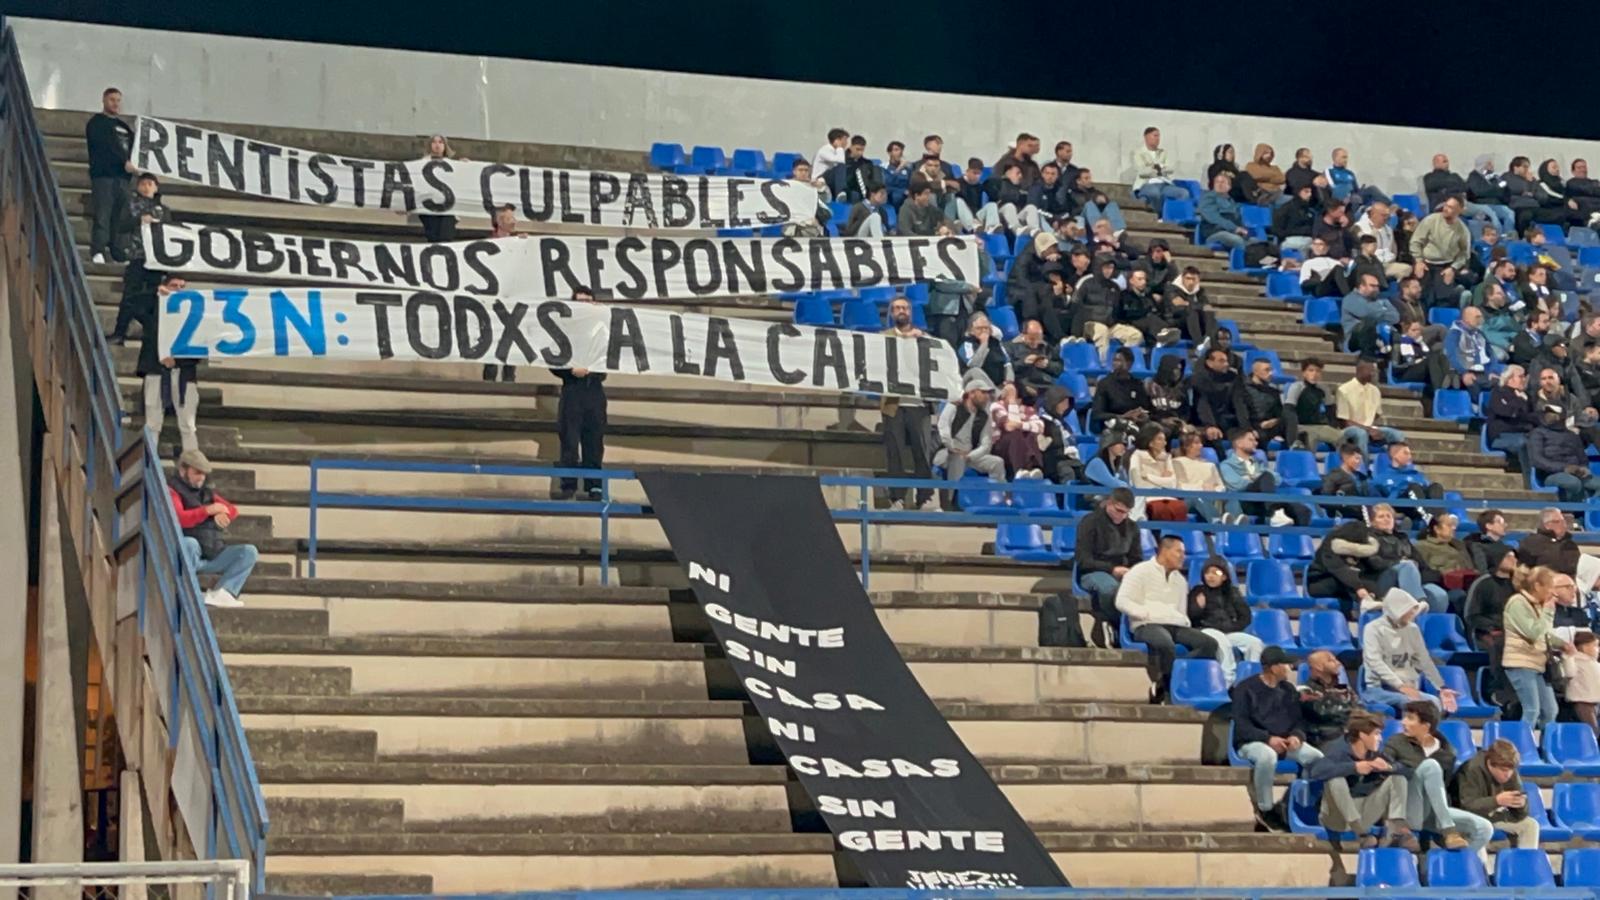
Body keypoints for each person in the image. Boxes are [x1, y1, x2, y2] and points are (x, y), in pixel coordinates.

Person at [1116, 535, 1218, 703]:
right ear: (1165, 551)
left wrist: (1183, 620)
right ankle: (1171, 690)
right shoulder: (1140, 571)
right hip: (1147, 624)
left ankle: (1170, 675)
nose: (1183, 556)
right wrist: (1142, 613)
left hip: (1174, 624)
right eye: (1179, 552)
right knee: (1165, 644)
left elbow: (1181, 610)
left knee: (1209, 644)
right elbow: (1122, 601)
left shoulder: (1180, 580)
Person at [1305, 710, 1420, 852]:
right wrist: (1354, 767)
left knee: (1398, 778)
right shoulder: (1337, 749)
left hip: (1363, 811)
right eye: (1376, 734)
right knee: (1336, 780)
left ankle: (1397, 830)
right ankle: (1360, 833)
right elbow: (1316, 771)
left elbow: (1408, 771)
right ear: (1362, 734)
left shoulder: (1375, 753)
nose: (1380, 739)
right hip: (1336, 817)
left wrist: (1389, 767)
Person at [1232, 645, 1321, 831]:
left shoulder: (1288, 689)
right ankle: (1265, 809)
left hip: (1285, 742)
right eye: (1286, 664)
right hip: (1252, 743)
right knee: (1267, 756)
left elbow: (1298, 721)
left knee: (1317, 758)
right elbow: (1242, 727)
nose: (1290, 668)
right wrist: (1268, 739)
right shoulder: (1245, 689)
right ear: (1273, 667)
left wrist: (1296, 736)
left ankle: (1297, 803)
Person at [1382, 701, 1487, 852]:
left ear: (1426, 726)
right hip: (1405, 807)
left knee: (1484, 827)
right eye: (1404, 717)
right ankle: (1449, 831)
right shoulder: (1396, 742)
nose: (1404, 722)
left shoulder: (1447, 753)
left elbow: (1443, 788)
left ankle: (1459, 867)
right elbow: (1386, 769)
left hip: (1433, 811)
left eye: (1410, 718)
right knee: (1430, 766)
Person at [167, 449, 258, 609]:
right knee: (189, 543)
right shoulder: (172, 490)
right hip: (190, 552)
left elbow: (232, 510)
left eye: (203, 473)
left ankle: (224, 592)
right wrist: (208, 511)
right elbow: (180, 518)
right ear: (183, 470)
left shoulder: (207, 493)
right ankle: (188, 591)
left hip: (211, 553)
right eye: (197, 472)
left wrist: (221, 514)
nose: (201, 477)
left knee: (249, 552)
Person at [1361, 588, 1456, 715]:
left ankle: (1429, 734)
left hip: (1409, 687)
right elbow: (1374, 662)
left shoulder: (1413, 629)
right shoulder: (1372, 629)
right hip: (1379, 688)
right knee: (1412, 703)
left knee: (1435, 703)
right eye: (1408, 611)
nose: (1412, 614)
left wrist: (1441, 688)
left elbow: (1424, 660)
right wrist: (1400, 686)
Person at [1503, 565, 1573, 737]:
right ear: (1537, 586)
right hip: (1520, 663)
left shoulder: (1537, 605)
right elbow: (1533, 633)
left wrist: (1562, 644)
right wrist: (1548, 611)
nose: (1552, 593)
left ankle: (1545, 750)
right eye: (1550, 587)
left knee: (1550, 710)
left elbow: (1544, 634)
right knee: (1532, 710)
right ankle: (1522, 749)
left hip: (1538, 664)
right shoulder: (1517, 602)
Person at [880, 298, 936, 511]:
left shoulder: (925, 338)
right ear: (891, 313)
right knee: (895, 453)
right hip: (893, 404)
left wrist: (922, 341)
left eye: (904, 308)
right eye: (897, 308)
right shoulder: (882, 338)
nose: (901, 311)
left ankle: (925, 497)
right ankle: (897, 497)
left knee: (922, 453)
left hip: (919, 404)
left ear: (911, 312)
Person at [138, 275, 200, 454]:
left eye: (182, 287)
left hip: (184, 373)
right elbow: (134, 306)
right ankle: (148, 463)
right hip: (155, 370)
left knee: (188, 424)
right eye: (174, 286)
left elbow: (200, 347)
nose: (178, 290)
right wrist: (156, 295)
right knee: (153, 422)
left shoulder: (193, 313)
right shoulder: (153, 307)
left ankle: (192, 464)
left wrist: (176, 360)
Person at [107, 172, 169, 344]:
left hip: (156, 261)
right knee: (129, 296)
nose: (146, 187)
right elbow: (120, 226)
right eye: (143, 183)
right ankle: (120, 332)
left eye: (150, 183)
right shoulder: (129, 205)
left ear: (156, 187)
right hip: (137, 257)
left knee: (153, 299)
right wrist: (139, 220)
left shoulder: (164, 211)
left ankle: (152, 334)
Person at [1452, 739, 1541, 850]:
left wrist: (1521, 805)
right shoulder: (1471, 770)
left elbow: (1518, 816)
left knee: (1530, 825)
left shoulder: (1510, 770)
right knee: (1483, 830)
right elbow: (1466, 806)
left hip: (1493, 815)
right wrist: (1496, 801)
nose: (1508, 775)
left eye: (1511, 770)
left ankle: (1527, 866)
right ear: (1490, 763)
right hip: (1469, 818)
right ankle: (1477, 866)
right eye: (1503, 770)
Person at [1188, 556, 1264, 684]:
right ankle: (1227, 683)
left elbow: (1246, 617)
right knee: (1222, 642)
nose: (1211, 576)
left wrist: (1231, 627)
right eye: (1207, 572)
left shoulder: (1232, 592)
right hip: (1204, 631)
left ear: (1224, 576)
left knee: (1254, 643)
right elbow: (1190, 616)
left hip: (1227, 631)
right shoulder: (1198, 591)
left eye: (1216, 573)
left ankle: (1251, 681)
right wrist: (1198, 607)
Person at [1076, 487, 1143, 628]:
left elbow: (1136, 558)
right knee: (1111, 589)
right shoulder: (1089, 522)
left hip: (1123, 571)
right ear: (1109, 503)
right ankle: (1114, 624)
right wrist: (1112, 569)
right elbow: (1083, 560)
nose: (1122, 516)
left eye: (1127, 512)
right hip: (1093, 571)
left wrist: (1133, 572)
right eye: (1119, 511)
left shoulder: (1132, 527)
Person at [1367, 504, 1451, 614]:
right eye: (1381, 516)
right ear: (1373, 522)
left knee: (1438, 594)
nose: (1386, 519)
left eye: (1389, 516)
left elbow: (1422, 565)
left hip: (1410, 581)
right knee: (1407, 566)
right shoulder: (1369, 537)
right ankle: (1418, 603)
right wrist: (1400, 563)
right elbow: (1374, 562)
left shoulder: (1403, 538)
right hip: (1382, 579)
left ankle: (1426, 625)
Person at [86, 87, 136, 264]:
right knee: (103, 214)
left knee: (119, 216)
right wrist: (123, 162)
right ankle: (98, 250)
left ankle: (116, 251)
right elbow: (104, 147)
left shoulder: (124, 127)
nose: (115, 103)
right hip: (104, 177)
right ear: (104, 100)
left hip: (123, 178)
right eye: (112, 99)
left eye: (118, 100)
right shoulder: (96, 123)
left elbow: (134, 148)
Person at [1219, 429, 1307, 526]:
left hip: (1263, 501)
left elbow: (1278, 479)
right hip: (1243, 501)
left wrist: (1252, 477)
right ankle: (1275, 514)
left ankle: (1298, 537)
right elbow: (1238, 485)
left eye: (1255, 440)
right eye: (1251, 440)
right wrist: (1258, 479)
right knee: (1266, 477)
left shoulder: (1258, 464)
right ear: (1239, 443)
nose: (1255, 443)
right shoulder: (1226, 465)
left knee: (1302, 509)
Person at [933, 370, 1004, 490]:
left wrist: (970, 455)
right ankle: (953, 499)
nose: (987, 396)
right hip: (947, 451)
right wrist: (953, 448)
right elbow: (943, 428)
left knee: (997, 462)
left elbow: (986, 444)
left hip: (970, 454)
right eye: (983, 393)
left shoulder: (984, 416)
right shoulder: (954, 407)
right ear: (971, 393)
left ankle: (997, 497)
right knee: (957, 459)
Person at [482, 205, 524, 382]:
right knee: (492, 336)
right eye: (509, 219)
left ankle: (509, 376)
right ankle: (489, 376)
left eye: (513, 218)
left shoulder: (521, 243)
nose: (514, 222)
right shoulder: (485, 245)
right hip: (493, 298)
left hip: (513, 297)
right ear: (499, 222)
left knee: (512, 337)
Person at [1335, 360, 1405, 456]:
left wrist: (1371, 428)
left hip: (1368, 427)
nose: (1374, 374)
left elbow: (1377, 413)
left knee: (1397, 435)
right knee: (1361, 434)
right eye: (1371, 371)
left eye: (1375, 371)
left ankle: (1396, 466)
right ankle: (1363, 468)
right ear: (1360, 370)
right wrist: (1368, 429)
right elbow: (1345, 421)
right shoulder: (1344, 390)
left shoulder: (1375, 390)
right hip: (1350, 430)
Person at [1530, 408, 1600, 502]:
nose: (1548, 415)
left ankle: (1589, 510)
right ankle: (1573, 511)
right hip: (1551, 474)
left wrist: (1583, 468)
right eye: (1547, 413)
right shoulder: (1538, 433)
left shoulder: (1572, 436)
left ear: (1562, 416)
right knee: (1573, 483)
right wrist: (1564, 468)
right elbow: (1537, 460)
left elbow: (1582, 458)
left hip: (1576, 473)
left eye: (1553, 413)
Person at [1075, 254, 1142, 353]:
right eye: (1106, 267)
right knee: (1102, 332)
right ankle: (1103, 365)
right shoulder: (1086, 283)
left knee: (1135, 335)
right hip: (1089, 324)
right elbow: (1075, 305)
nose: (1109, 270)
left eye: (1111, 267)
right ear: (1098, 267)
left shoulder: (1115, 287)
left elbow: (1119, 310)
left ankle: (1119, 360)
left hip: (1111, 325)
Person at [1485, 365, 1540, 471]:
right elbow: (1508, 412)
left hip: (1525, 433)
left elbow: (1535, 417)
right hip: (1502, 436)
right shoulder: (1498, 393)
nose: (1524, 380)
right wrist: (1519, 401)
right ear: (1509, 379)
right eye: (1521, 376)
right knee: (1525, 444)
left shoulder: (1527, 396)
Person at [1299, 649, 1359, 747]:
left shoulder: (1344, 688)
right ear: (1318, 667)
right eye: (1331, 660)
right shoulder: (1305, 690)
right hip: (1323, 739)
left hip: (1347, 735)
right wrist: (1349, 709)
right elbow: (1323, 712)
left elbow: (1359, 708)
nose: (1338, 663)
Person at [1409, 196, 1472, 287]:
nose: (1445, 209)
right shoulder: (1430, 220)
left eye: (1450, 207)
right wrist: (1418, 261)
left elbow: (1464, 253)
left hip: (1446, 265)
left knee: (1444, 291)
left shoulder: (1463, 230)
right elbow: (1415, 242)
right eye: (1446, 205)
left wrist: (1453, 268)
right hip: (1425, 263)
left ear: (1460, 210)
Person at [1191, 348, 1248, 445]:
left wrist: (1246, 428)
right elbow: (1202, 405)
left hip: (1228, 422)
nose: (1226, 364)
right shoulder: (1199, 380)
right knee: (1214, 436)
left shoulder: (1233, 379)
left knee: (1246, 438)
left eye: (1226, 361)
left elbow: (1239, 404)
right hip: (1205, 423)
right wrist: (1210, 425)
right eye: (1221, 361)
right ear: (1209, 363)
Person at [1127, 425, 1185, 521]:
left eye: (1165, 440)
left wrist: (1148, 476)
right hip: (1146, 499)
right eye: (1160, 439)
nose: (1164, 443)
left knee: (1180, 507)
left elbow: (1172, 483)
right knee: (1161, 509)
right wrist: (1163, 482)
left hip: (1168, 497)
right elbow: (1139, 484)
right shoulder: (1137, 456)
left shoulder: (1167, 457)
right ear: (1150, 442)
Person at [1089, 347, 1153, 430]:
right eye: (1114, 360)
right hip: (1114, 425)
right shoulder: (1105, 384)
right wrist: (1122, 416)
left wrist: (1141, 414)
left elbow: (1145, 407)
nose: (1115, 364)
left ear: (1129, 363)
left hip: (1137, 423)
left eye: (1118, 361)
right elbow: (1097, 414)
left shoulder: (1137, 384)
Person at [1340, 273, 1398, 360]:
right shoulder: (1350, 299)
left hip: (1380, 335)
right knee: (1369, 323)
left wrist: (1377, 313)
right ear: (1361, 286)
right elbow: (1366, 313)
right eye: (1372, 286)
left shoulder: (1383, 300)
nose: (1376, 289)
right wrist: (1383, 310)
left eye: (1377, 286)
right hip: (1355, 340)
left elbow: (1395, 317)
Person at [1005, 318, 1063, 404]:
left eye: (1038, 338)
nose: (1035, 342)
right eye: (1032, 339)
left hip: (1046, 384)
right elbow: (1007, 369)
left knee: (1063, 397)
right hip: (1024, 384)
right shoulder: (1010, 347)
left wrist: (1047, 365)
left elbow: (1059, 368)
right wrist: (1023, 362)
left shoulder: (1046, 347)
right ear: (1023, 335)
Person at [1115, 269, 1179, 347]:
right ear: (1131, 280)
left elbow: (1157, 309)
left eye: (1144, 279)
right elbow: (1127, 313)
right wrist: (1146, 312)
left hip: (1149, 320)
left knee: (1156, 318)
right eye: (1140, 279)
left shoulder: (1148, 295)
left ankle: (1164, 336)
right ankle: (1163, 335)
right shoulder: (1124, 295)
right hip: (1132, 320)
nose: (1143, 282)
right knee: (1150, 319)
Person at [1444, 306, 1495, 402]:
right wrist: (1464, 373)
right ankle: (1476, 408)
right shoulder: (1454, 334)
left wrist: (1492, 371)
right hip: (1466, 371)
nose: (1481, 320)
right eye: (1477, 317)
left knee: (1502, 382)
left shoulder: (1480, 334)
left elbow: (1491, 354)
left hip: (1483, 372)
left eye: (1481, 317)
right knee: (1472, 382)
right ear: (1467, 319)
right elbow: (1452, 356)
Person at [1131, 126, 1187, 212]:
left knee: (1183, 193)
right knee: (1154, 193)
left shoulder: (1163, 152)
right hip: (1147, 184)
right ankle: (1159, 214)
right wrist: (1160, 168)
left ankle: (1176, 217)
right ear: (1146, 137)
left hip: (1164, 184)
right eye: (1155, 135)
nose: (1158, 138)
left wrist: (1155, 168)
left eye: (1159, 136)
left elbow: (1170, 169)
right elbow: (1142, 172)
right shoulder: (1138, 153)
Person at [1173, 431, 1226, 522]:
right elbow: (1179, 486)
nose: (1201, 446)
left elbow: (1221, 486)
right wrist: (1201, 488)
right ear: (1186, 446)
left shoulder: (1210, 465)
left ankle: (1239, 526)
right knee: (1197, 497)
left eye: (1201, 443)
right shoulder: (1177, 462)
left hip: (1210, 497)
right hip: (1189, 500)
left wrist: (1214, 489)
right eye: (1196, 443)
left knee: (1231, 498)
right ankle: (1217, 524)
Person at [1240, 358, 1293, 449]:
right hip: (1251, 426)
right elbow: (1241, 414)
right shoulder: (1242, 389)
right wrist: (1259, 425)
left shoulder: (1273, 392)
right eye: (1267, 370)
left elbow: (1279, 413)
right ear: (1255, 371)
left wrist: (1275, 421)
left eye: (1271, 370)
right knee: (1259, 435)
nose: (1271, 373)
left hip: (1271, 427)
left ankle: (1294, 452)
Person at [417, 134, 461, 242]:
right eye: (434, 142)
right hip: (429, 207)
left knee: (446, 236)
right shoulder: (420, 164)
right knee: (433, 236)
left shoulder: (454, 165)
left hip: (448, 207)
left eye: (440, 142)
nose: (437, 145)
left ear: (445, 146)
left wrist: (466, 165)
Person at [1353, 202, 1411, 282]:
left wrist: (1392, 258)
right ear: (1373, 214)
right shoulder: (1359, 227)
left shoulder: (1388, 229)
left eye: (1388, 215)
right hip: (1369, 265)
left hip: (1387, 264)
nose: (1386, 218)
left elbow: (1393, 249)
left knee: (1407, 269)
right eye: (1383, 215)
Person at [1161, 266, 1218, 345]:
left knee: (1209, 313)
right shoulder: (1171, 289)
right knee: (1191, 313)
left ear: (1198, 280)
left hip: (1196, 324)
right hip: (1176, 323)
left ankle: (1209, 342)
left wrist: (1187, 303)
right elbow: (1176, 309)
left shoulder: (1200, 291)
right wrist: (1199, 306)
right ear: (1182, 278)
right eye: (1188, 278)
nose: (1191, 282)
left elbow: (1207, 307)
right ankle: (1199, 344)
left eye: (1193, 279)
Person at [1197, 171, 1252, 251]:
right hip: (1214, 233)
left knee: (1258, 243)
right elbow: (1213, 218)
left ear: (1229, 186)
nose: (1219, 184)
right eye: (1217, 182)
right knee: (1237, 240)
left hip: (1232, 232)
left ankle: (1268, 263)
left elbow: (1239, 221)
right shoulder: (1208, 198)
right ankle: (1242, 262)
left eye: (1222, 182)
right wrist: (1234, 228)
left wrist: (1244, 231)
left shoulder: (1232, 202)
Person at [1520, 507, 1582, 577]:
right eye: (1558, 522)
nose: (1564, 525)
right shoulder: (1531, 543)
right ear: (1547, 525)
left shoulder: (1570, 544)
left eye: (1564, 521)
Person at [956, 312, 1013, 388]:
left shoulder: (996, 343)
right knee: (975, 371)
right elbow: (975, 365)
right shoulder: (966, 344)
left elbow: (1007, 364)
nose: (983, 331)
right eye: (979, 328)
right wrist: (984, 344)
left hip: (1000, 384)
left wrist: (1009, 382)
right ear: (971, 330)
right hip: (977, 385)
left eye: (986, 328)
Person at [1318, 443, 1373, 518]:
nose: (1359, 462)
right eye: (1357, 458)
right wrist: (1343, 505)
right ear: (1345, 458)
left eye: (1360, 459)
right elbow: (1325, 500)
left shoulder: (1362, 476)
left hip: (1364, 515)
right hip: (1344, 516)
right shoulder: (1333, 476)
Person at [1068, 168, 1129, 235]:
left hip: (1099, 217)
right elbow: (1078, 209)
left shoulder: (1095, 192)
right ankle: (1098, 232)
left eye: (1090, 178)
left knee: (1112, 205)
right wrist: (1095, 201)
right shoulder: (1073, 194)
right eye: (1086, 178)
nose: (1090, 181)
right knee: (1089, 205)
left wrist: (1104, 200)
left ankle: (1118, 231)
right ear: (1078, 181)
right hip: (1081, 219)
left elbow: (1106, 203)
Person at [1566, 631, 1600, 736]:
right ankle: (1588, 751)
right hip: (1583, 702)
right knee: (1592, 732)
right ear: (1585, 647)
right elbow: (1569, 672)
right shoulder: (1576, 660)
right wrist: (1569, 657)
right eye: (1595, 645)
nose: (1598, 649)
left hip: (1595, 702)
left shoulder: (1594, 663)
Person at [1271, 183, 1318, 254]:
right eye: (1306, 191)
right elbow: (1276, 229)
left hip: (1309, 239)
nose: (1310, 195)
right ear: (1298, 192)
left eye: (1311, 192)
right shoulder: (1285, 209)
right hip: (1290, 239)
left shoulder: (1310, 210)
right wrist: (1296, 232)